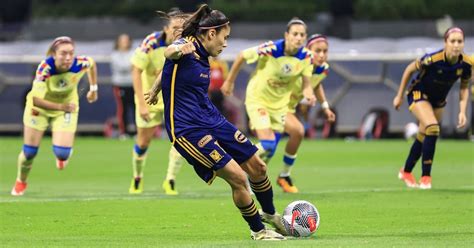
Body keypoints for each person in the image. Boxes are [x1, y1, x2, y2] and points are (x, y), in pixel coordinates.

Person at [156, 4, 286, 240]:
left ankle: (270, 214)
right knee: (238, 177)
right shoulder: (186, 46)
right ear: (211, 33)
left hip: (211, 118)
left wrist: (156, 88)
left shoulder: (206, 55)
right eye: (224, 38)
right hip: (187, 129)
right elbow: (169, 54)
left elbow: (166, 71)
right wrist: (177, 50)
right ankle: (258, 231)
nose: (225, 44)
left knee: (258, 167)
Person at [221, 18, 317, 191]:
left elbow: (307, 83)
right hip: (258, 99)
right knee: (268, 144)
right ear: (286, 35)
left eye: (302, 35)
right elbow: (242, 55)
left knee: (284, 141)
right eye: (295, 34)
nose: (299, 37)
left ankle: (270, 174)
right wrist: (229, 81)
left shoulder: (307, 57)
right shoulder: (271, 49)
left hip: (280, 106)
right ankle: (234, 164)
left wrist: (309, 93)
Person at [11, 36, 98, 196]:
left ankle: (61, 155)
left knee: (62, 153)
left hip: (65, 108)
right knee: (29, 152)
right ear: (53, 54)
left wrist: (93, 88)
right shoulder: (45, 68)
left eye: (71, 53)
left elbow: (92, 64)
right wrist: (61, 106)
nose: (68, 58)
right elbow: (36, 100)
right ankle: (21, 181)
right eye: (63, 53)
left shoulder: (80, 63)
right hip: (39, 109)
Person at [393, 27, 472, 189]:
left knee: (424, 134)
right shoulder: (432, 59)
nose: (456, 45)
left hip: (438, 100)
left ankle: (406, 171)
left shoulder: (466, 64)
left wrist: (462, 111)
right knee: (433, 127)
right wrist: (399, 96)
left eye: (460, 41)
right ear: (445, 43)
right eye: (453, 41)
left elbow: (464, 87)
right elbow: (409, 70)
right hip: (418, 93)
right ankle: (426, 177)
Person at [128, 8, 188, 195]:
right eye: (174, 27)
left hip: (175, 99)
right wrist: (141, 102)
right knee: (143, 141)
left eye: (182, 27)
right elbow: (136, 70)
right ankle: (137, 177)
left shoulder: (187, 43)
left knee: (182, 140)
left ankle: (170, 180)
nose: (178, 30)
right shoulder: (151, 43)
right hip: (150, 98)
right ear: (166, 27)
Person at [277, 34, 336, 193]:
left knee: (295, 134)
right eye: (318, 51)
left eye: (325, 51)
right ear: (308, 50)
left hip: (287, 108)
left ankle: (283, 175)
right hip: (274, 105)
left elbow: (315, 85)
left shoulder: (323, 68)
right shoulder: (298, 64)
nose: (322, 55)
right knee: (286, 137)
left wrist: (325, 106)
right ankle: (250, 175)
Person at [110, 33, 135, 138]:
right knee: (122, 109)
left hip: (133, 85)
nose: (124, 43)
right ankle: (123, 132)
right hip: (119, 85)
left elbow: (138, 66)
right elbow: (122, 67)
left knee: (136, 108)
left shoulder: (134, 53)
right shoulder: (114, 55)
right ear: (118, 42)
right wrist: (132, 65)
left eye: (126, 40)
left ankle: (137, 132)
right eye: (122, 40)